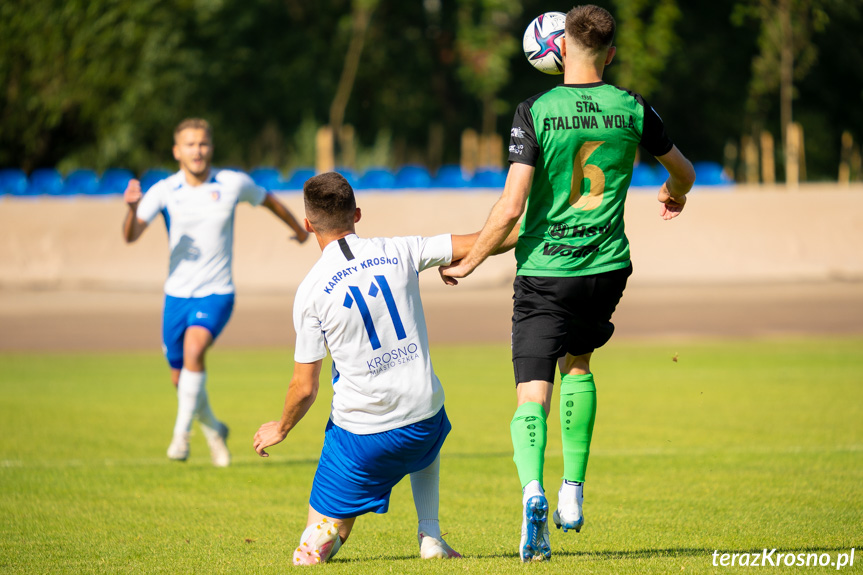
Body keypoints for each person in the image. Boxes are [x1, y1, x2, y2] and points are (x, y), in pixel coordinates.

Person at [442, 4, 696, 562]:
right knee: (578, 365)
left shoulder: (535, 110)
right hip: (605, 269)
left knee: (532, 392)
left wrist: (470, 262)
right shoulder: (633, 107)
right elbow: (684, 170)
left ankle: (533, 492)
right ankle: (572, 492)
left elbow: (511, 209)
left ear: (556, 52)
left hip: (545, 274)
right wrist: (673, 194)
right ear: (609, 53)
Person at [253, 172, 509, 565]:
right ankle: (431, 535)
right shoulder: (401, 250)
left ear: (308, 224)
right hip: (425, 421)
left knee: (320, 537)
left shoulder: (310, 292)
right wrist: (534, 223)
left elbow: (305, 388)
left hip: (363, 437)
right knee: (425, 431)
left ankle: (321, 537)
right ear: (357, 214)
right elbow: (486, 239)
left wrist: (281, 428)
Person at [123, 118, 308, 467]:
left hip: (218, 292)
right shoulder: (163, 190)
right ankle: (214, 430)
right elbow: (131, 235)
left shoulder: (231, 183)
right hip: (176, 296)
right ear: (177, 151)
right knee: (181, 378)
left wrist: (299, 229)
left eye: (203, 143)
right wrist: (132, 210)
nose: (198, 150)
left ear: (211, 147)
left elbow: (269, 201)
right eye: (190, 144)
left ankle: (181, 436)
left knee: (195, 349)